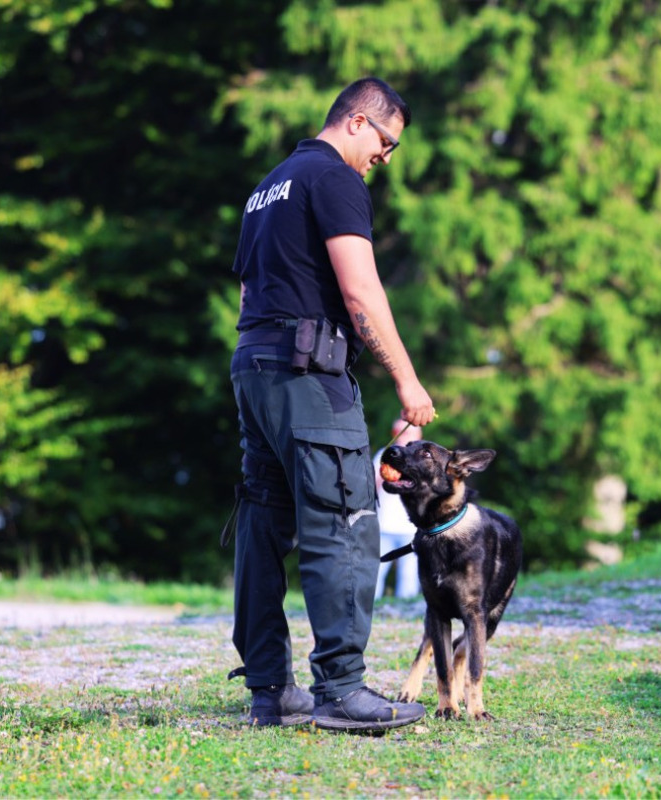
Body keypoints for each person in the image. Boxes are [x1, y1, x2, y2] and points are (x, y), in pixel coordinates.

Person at [226, 77, 436, 732]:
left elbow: (246, 297)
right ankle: (341, 690)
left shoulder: (269, 185)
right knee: (345, 516)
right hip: (308, 378)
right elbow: (360, 293)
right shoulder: (336, 179)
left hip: (254, 368)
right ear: (356, 122)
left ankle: (270, 690)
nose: (386, 158)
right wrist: (408, 381)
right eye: (386, 142)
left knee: (265, 519)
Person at [374, 418, 422, 600]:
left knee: (410, 576)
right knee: (376, 571)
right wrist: (385, 475)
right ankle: (372, 609)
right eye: (404, 432)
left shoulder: (420, 460)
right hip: (384, 525)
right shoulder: (384, 456)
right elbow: (372, 487)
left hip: (411, 527)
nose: (408, 437)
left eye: (412, 433)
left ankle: (406, 614)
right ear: (395, 435)